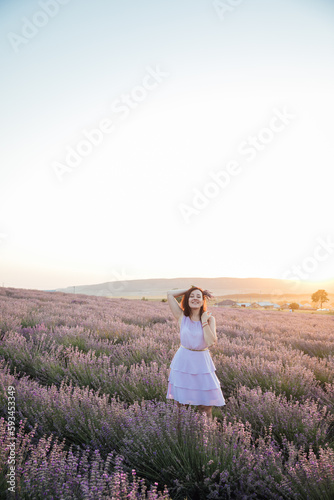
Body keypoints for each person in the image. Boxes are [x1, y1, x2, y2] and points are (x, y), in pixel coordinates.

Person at [166, 286, 225, 422]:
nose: (195, 299)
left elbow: (211, 342)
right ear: (187, 299)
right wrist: (191, 289)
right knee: (181, 405)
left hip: (202, 363)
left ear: (203, 301)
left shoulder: (210, 319)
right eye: (192, 296)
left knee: (205, 407)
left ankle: (207, 439)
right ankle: (181, 437)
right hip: (183, 362)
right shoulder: (182, 316)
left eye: (199, 296)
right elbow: (170, 293)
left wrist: (204, 321)